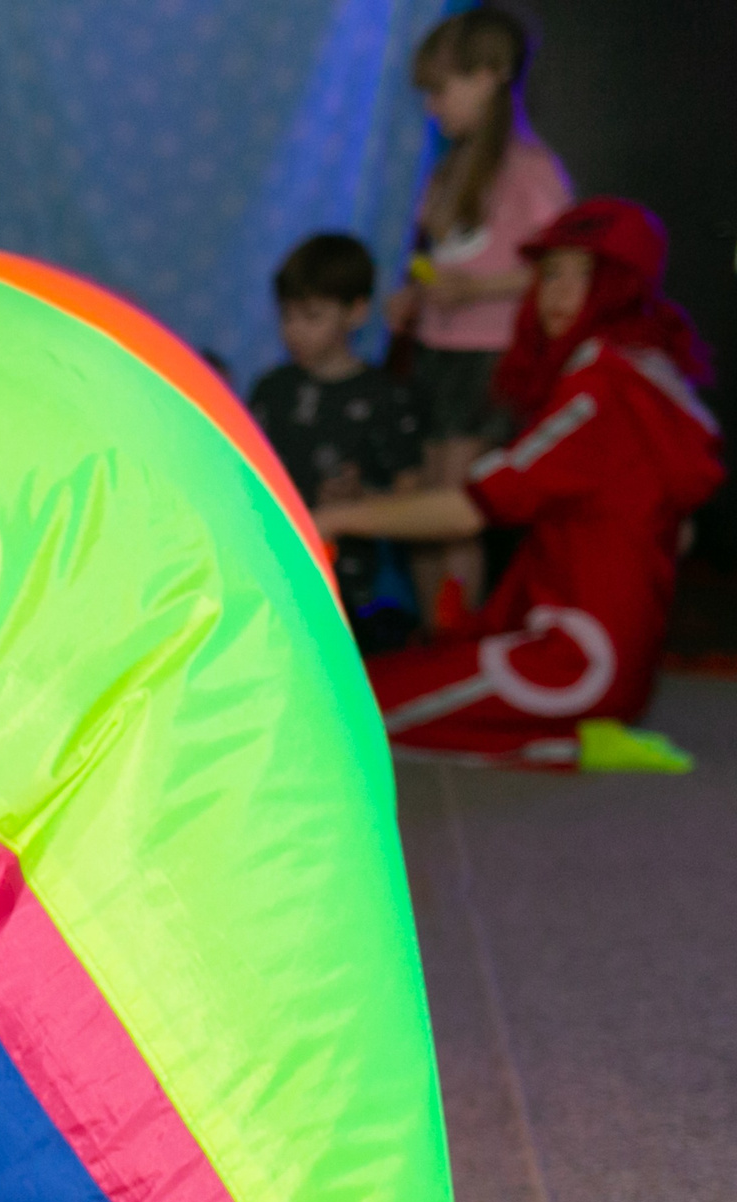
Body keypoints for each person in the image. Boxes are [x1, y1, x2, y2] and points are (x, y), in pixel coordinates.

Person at [318, 200, 722, 769]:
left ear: (621, 288)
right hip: (593, 653)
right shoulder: (636, 372)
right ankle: (580, 736)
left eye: (586, 276)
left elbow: (469, 510)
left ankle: (577, 744)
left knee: (341, 715)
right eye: (552, 272)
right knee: (372, 686)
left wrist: (333, 519)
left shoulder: (603, 388)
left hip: (576, 663)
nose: (558, 293)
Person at [384, 6, 573, 621]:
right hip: (436, 355)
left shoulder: (532, 172)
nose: (433, 107)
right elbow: (434, 262)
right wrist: (415, 297)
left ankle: (455, 646)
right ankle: (427, 642)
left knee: (454, 510)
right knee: (421, 502)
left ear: (490, 74)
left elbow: (558, 266)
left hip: (485, 358)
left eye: (441, 89)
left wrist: (477, 290)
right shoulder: (447, 170)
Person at [249, 233, 426, 652]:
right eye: (287, 316)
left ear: (357, 312)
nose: (294, 331)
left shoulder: (386, 397)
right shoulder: (273, 389)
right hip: (271, 571)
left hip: (351, 594)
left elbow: (411, 498)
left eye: (311, 317)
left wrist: (361, 496)